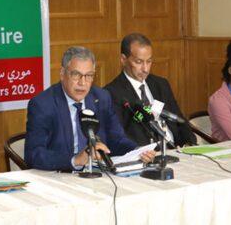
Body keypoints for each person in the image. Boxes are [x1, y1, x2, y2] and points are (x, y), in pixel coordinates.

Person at [25, 46, 156, 171]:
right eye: (76, 75)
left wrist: (138, 151)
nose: (82, 83)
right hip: (62, 174)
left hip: (99, 174)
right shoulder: (43, 104)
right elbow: (33, 154)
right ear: (62, 74)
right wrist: (75, 160)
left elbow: (117, 140)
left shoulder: (102, 98)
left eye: (89, 76)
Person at [104, 33, 196, 147]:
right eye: (139, 62)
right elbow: (120, 137)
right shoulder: (112, 93)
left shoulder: (161, 84)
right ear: (123, 59)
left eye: (149, 61)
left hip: (175, 149)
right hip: (146, 153)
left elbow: (179, 120)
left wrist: (190, 143)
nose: (145, 69)